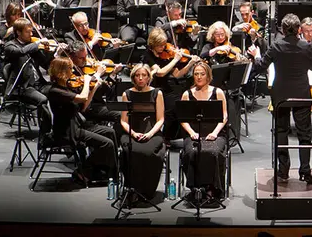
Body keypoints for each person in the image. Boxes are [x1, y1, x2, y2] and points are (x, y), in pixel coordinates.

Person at [249, 13, 312, 184]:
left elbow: (260, 67)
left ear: (282, 29)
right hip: (302, 94)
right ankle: (305, 171)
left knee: (281, 131)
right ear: (299, 29)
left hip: (281, 95)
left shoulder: (276, 46)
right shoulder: (306, 46)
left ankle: (283, 171)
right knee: (304, 134)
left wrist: (256, 54)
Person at [46, 57, 116, 184]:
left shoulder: (67, 87)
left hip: (77, 124)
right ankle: (84, 170)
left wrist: (94, 88)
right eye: (70, 69)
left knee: (109, 132)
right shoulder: (56, 91)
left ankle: (109, 170)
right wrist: (87, 81)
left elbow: (83, 106)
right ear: (62, 71)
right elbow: (83, 97)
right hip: (67, 130)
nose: (73, 71)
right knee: (107, 143)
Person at [180, 62, 228, 200]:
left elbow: (224, 116)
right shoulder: (187, 94)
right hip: (194, 133)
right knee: (192, 152)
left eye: (202, 74)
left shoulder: (217, 92)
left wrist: (215, 133)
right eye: (196, 74)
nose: (199, 77)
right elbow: (183, 119)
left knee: (212, 152)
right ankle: (196, 188)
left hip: (215, 133)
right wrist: (191, 133)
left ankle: (212, 188)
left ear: (208, 76)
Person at [119, 63, 166, 202]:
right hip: (132, 131)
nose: (140, 78)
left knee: (148, 152)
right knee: (130, 151)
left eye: (143, 75)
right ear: (133, 77)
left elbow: (160, 119)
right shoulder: (126, 94)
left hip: (151, 131)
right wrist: (133, 133)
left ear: (148, 77)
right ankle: (132, 189)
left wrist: (150, 134)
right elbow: (123, 121)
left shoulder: (157, 93)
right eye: (137, 75)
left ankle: (147, 190)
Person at [145, 28, 201, 142]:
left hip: (169, 85)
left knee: (179, 107)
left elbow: (177, 74)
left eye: (164, 44)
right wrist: (175, 60)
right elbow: (160, 73)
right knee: (171, 110)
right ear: (153, 44)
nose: (163, 47)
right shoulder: (148, 55)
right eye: (160, 45)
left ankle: (170, 136)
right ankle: (164, 137)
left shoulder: (167, 54)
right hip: (156, 87)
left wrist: (190, 63)